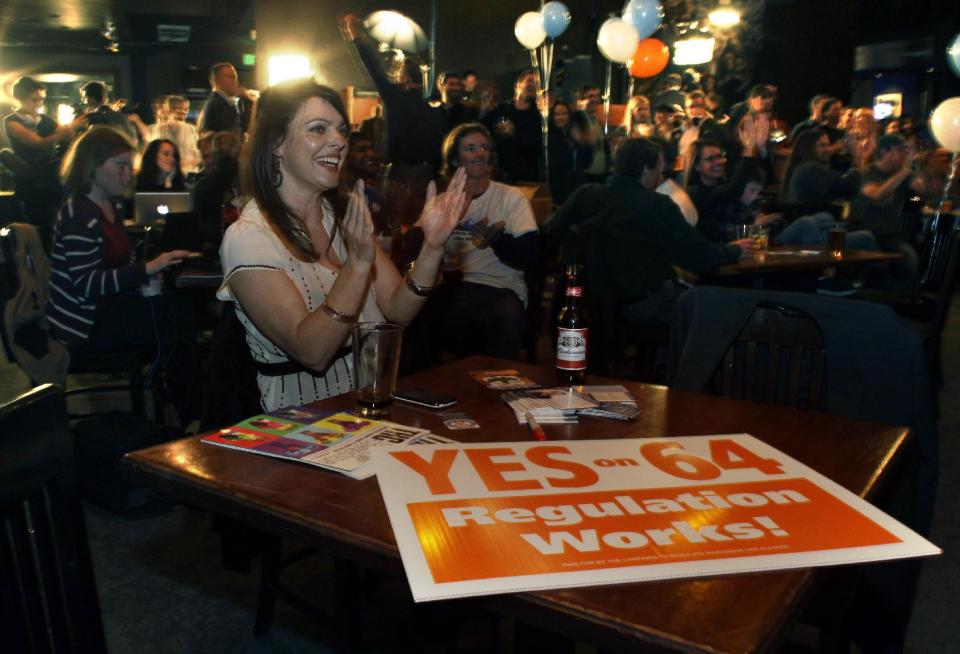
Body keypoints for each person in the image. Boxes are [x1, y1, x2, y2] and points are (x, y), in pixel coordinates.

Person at [216, 79, 467, 411]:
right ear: (277, 142)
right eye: (318, 129)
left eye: (341, 131)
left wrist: (432, 248)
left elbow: (397, 310)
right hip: (297, 424)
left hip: (364, 406)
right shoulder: (249, 236)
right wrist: (357, 266)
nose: (338, 141)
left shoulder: (340, 216)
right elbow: (313, 352)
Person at [545, 137, 747, 327]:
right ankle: (673, 362)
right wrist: (734, 250)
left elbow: (549, 235)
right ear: (645, 170)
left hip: (586, 299)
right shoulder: (657, 205)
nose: (661, 175)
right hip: (640, 304)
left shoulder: (585, 194)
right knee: (715, 309)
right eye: (658, 169)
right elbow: (696, 256)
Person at [47, 127, 191, 352]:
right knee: (176, 319)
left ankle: (171, 382)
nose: (128, 174)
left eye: (129, 167)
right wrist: (148, 269)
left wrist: (143, 278)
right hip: (83, 323)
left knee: (179, 310)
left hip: (106, 309)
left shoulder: (112, 205)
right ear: (93, 165)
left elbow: (118, 270)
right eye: (121, 166)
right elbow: (86, 284)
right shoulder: (78, 213)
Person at [407, 123, 540, 364]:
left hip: (501, 287)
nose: (480, 153)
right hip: (456, 287)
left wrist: (497, 239)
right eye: (470, 148)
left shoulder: (510, 197)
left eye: (484, 147)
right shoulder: (442, 201)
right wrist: (433, 229)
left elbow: (531, 256)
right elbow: (410, 248)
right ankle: (426, 386)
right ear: (456, 159)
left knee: (505, 312)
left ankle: (498, 386)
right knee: (415, 312)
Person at [2, 76, 83, 244]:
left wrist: (75, 131)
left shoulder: (45, 119)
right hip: (32, 178)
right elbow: (37, 143)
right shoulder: (12, 121)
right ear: (20, 99)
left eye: (40, 99)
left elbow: (67, 135)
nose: (38, 103)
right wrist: (69, 129)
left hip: (51, 176)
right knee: (41, 224)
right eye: (34, 99)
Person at [849, 134, 926, 285]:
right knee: (896, 261)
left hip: (889, 236)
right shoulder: (866, 173)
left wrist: (921, 167)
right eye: (900, 151)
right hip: (864, 232)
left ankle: (901, 298)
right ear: (885, 152)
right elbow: (877, 195)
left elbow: (924, 189)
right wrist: (904, 170)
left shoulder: (901, 175)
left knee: (910, 257)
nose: (904, 155)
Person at [482, 69, 543, 184]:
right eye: (529, 81)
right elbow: (483, 131)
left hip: (527, 176)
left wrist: (515, 133)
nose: (533, 85)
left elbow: (537, 145)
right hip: (499, 174)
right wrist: (483, 111)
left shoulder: (539, 115)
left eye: (537, 83)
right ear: (517, 85)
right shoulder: (500, 109)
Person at [547, 102, 590, 205]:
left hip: (577, 187)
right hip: (559, 189)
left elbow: (587, 162)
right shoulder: (550, 137)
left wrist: (581, 141)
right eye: (557, 114)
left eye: (564, 114)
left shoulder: (574, 133)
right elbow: (556, 162)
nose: (560, 117)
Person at [198, 63, 252, 136]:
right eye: (230, 77)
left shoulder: (227, 103)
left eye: (235, 77)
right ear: (217, 80)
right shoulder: (216, 103)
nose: (235, 81)